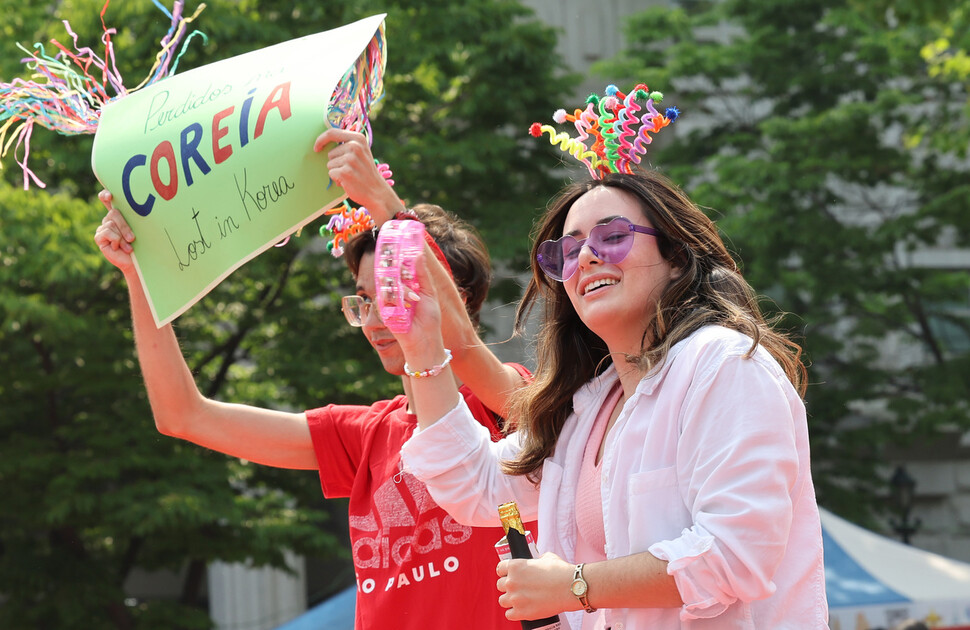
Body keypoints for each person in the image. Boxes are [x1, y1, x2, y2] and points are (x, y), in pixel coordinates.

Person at [94, 128, 530, 630]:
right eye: (364, 299)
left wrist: (384, 204)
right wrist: (139, 276)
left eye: (392, 289)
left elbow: (466, 349)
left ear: (456, 296)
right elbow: (183, 415)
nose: (375, 317)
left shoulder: (508, 401)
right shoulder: (364, 436)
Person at [395, 169, 828, 629]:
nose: (585, 258)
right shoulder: (589, 407)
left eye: (613, 236)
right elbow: (476, 484)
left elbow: (735, 554)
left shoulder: (723, 364)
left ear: (677, 255)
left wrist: (574, 585)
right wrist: (422, 346)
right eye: (567, 250)